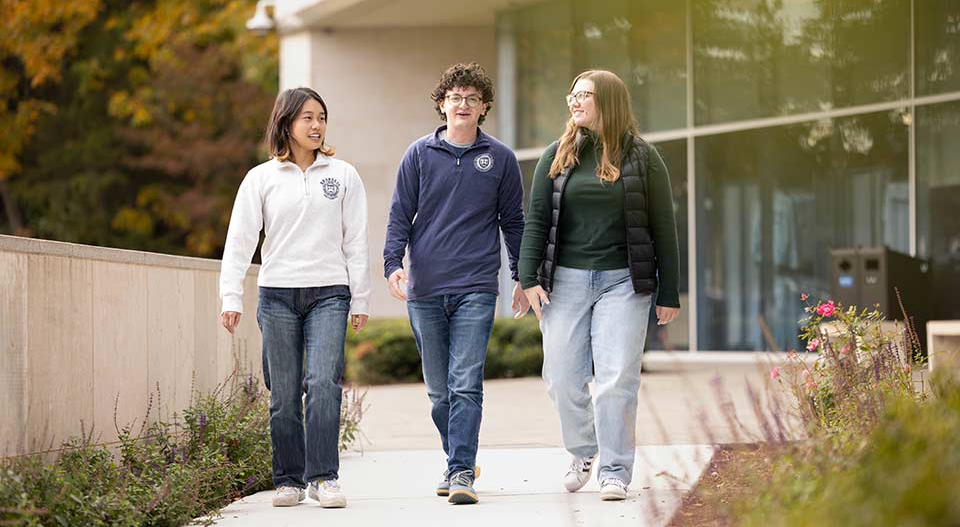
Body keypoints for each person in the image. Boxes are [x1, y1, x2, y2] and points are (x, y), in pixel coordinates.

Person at [517, 70, 680, 501]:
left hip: (624, 282)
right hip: (564, 281)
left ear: (608, 101)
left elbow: (664, 226)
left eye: (584, 95)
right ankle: (584, 450)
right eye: (571, 94)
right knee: (561, 377)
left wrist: (669, 291)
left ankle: (614, 469)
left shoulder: (643, 157)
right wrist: (527, 277)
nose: (574, 102)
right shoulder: (558, 154)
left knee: (616, 379)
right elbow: (536, 220)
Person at [219, 87, 370, 509]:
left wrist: (360, 299)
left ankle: (323, 477)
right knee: (283, 393)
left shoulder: (342, 176)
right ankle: (288, 478)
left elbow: (355, 241)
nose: (317, 125)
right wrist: (230, 296)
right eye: (307, 117)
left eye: (321, 116)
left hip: (329, 294)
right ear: (285, 123)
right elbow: (239, 242)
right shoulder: (260, 179)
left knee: (323, 384)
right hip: (278, 295)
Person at [383, 62, 527, 505]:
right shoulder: (418, 155)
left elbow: (514, 222)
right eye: (454, 97)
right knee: (438, 391)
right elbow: (399, 215)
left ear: (483, 106)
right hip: (425, 288)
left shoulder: (499, 158)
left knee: (466, 382)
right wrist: (392, 264)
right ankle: (457, 459)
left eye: (471, 98)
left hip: (476, 286)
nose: (462, 104)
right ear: (442, 103)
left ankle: (461, 470)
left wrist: (522, 276)